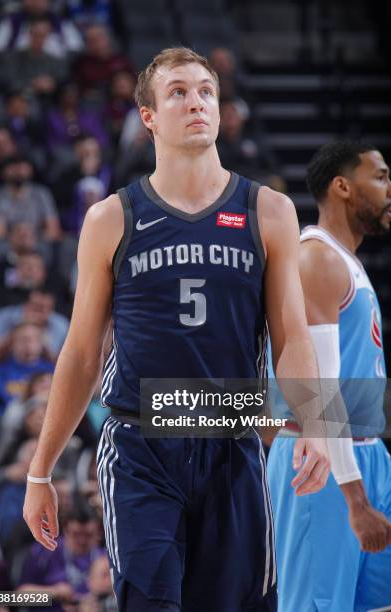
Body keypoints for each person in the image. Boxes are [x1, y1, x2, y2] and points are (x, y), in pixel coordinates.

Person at [23, 47, 330, 612]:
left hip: (232, 443)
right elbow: (82, 352)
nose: (197, 102)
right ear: (148, 116)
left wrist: (317, 422)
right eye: (179, 92)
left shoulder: (271, 210)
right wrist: (40, 471)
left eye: (206, 91)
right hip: (141, 446)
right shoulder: (112, 218)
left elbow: (293, 335)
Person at [267, 140, 391, 612]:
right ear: (341, 186)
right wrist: (355, 498)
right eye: (379, 177)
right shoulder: (316, 258)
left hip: (368, 453)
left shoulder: (348, 262)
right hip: (320, 462)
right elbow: (320, 393)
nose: (388, 188)